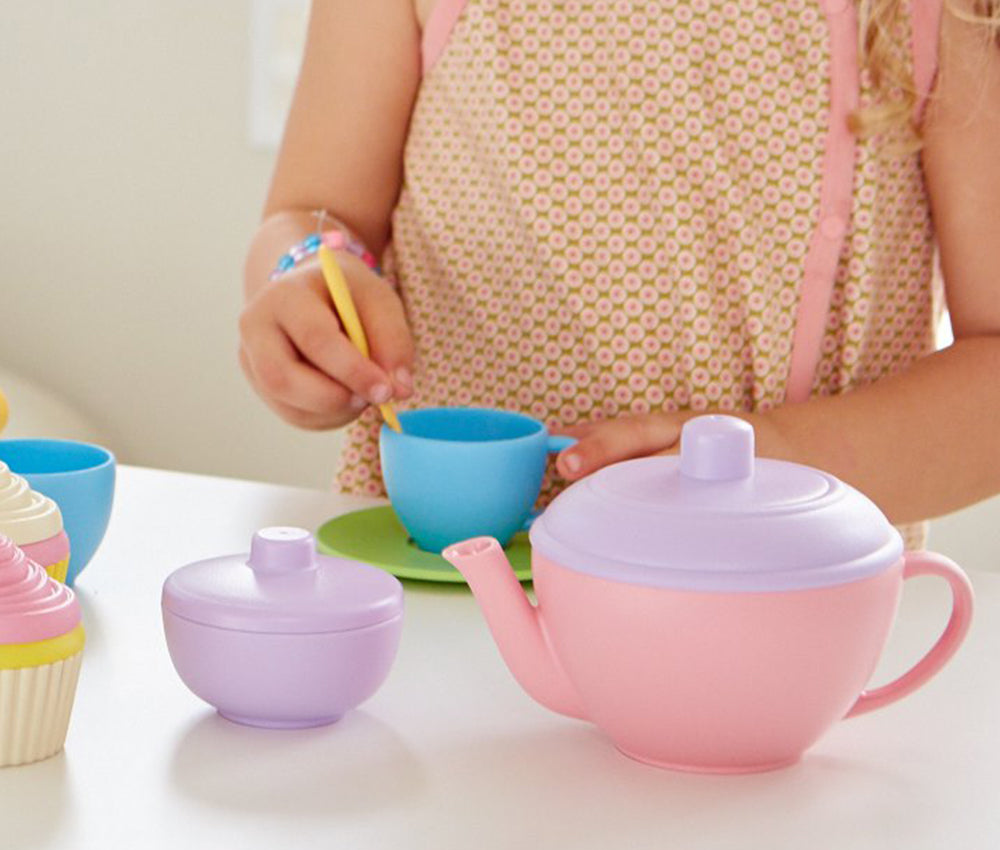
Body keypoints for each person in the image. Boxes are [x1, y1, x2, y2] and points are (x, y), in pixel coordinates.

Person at [240, 0, 1000, 545]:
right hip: (443, 588)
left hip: (782, 610)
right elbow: (313, 213)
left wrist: (773, 462)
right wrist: (306, 282)